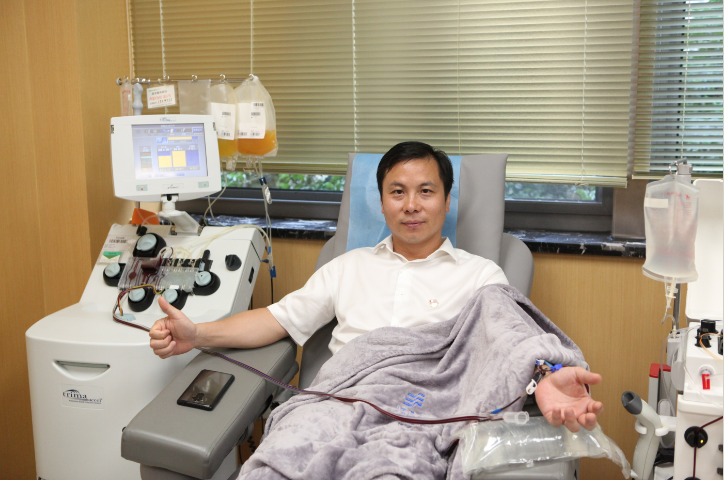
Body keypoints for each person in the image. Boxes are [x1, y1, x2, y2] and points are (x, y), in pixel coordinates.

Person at [149, 141, 603, 433]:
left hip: (424, 415)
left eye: (426, 191)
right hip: (336, 411)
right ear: (382, 203)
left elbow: (512, 340)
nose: (411, 205)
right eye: (397, 192)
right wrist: (198, 334)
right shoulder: (347, 267)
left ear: (447, 201)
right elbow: (276, 319)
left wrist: (544, 381)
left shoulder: (482, 275)